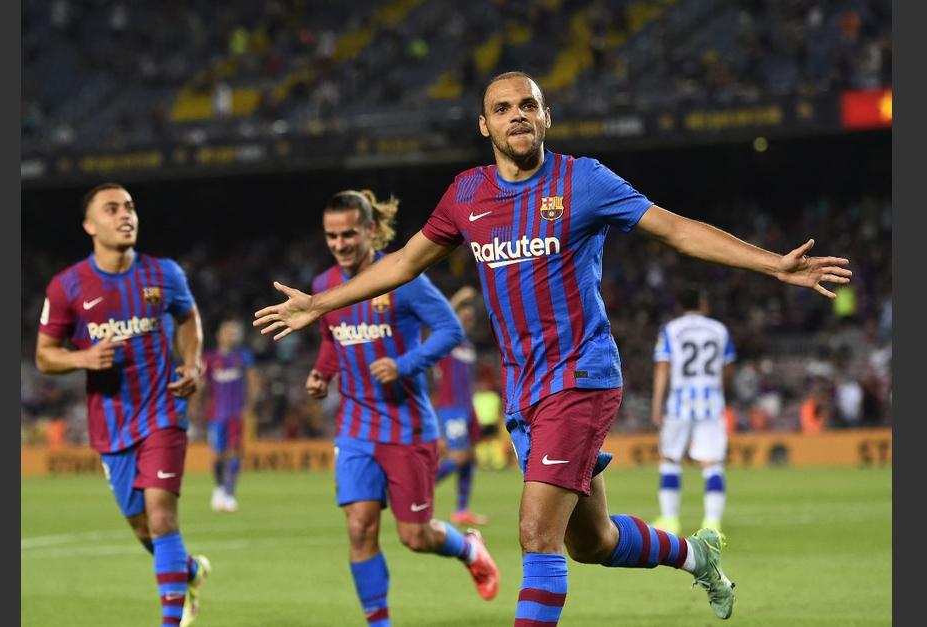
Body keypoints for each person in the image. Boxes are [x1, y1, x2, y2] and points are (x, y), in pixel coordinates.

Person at [254, 72, 852, 624]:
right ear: (484, 126)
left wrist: (774, 264)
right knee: (592, 543)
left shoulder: (583, 181)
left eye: (528, 105)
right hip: (524, 392)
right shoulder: (465, 195)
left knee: (535, 534)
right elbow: (406, 263)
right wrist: (319, 304)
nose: (517, 115)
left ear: (546, 118)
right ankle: (696, 556)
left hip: (581, 377)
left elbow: (675, 229)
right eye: (502, 108)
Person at [302, 189, 501, 626]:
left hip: (407, 426)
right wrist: (322, 373)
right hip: (355, 427)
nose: (339, 244)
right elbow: (333, 340)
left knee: (415, 536)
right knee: (359, 528)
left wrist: (405, 364)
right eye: (331, 236)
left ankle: (468, 548)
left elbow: (449, 330)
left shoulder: (402, 277)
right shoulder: (322, 286)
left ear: (371, 230)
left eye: (348, 234)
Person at [35, 183, 212, 627]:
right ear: (90, 225)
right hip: (111, 423)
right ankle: (188, 571)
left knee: (161, 515)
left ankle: (170, 618)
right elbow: (44, 355)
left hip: (163, 412)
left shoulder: (164, 273)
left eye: (130, 207)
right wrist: (82, 358)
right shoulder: (67, 286)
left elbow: (188, 317)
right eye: (111, 209)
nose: (125, 215)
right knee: (143, 528)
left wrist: (191, 364)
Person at [651, 288, 736, 535]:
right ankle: (712, 522)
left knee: (669, 458)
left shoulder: (671, 330)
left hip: (679, 402)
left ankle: (670, 520)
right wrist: (720, 389)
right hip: (711, 402)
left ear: (678, 306)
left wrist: (657, 404)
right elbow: (728, 366)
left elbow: (662, 367)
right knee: (712, 463)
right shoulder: (719, 330)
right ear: (702, 302)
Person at [190, 318, 260, 512]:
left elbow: (253, 380)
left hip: (236, 413)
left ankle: (229, 493)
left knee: (235, 452)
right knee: (218, 455)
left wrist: (250, 405)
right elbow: (202, 385)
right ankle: (220, 489)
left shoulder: (243, 356)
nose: (232, 335)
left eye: (234, 332)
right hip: (216, 414)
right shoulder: (210, 358)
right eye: (228, 331)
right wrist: (195, 405)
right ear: (219, 335)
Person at [433, 285, 488, 526]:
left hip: (467, 407)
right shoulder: (447, 340)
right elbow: (441, 315)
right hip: (452, 406)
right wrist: (457, 298)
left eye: (470, 315)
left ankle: (462, 510)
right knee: (459, 456)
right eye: (463, 313)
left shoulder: (467, 345)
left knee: (470, 457)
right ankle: (421, 490)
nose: (468, 317)